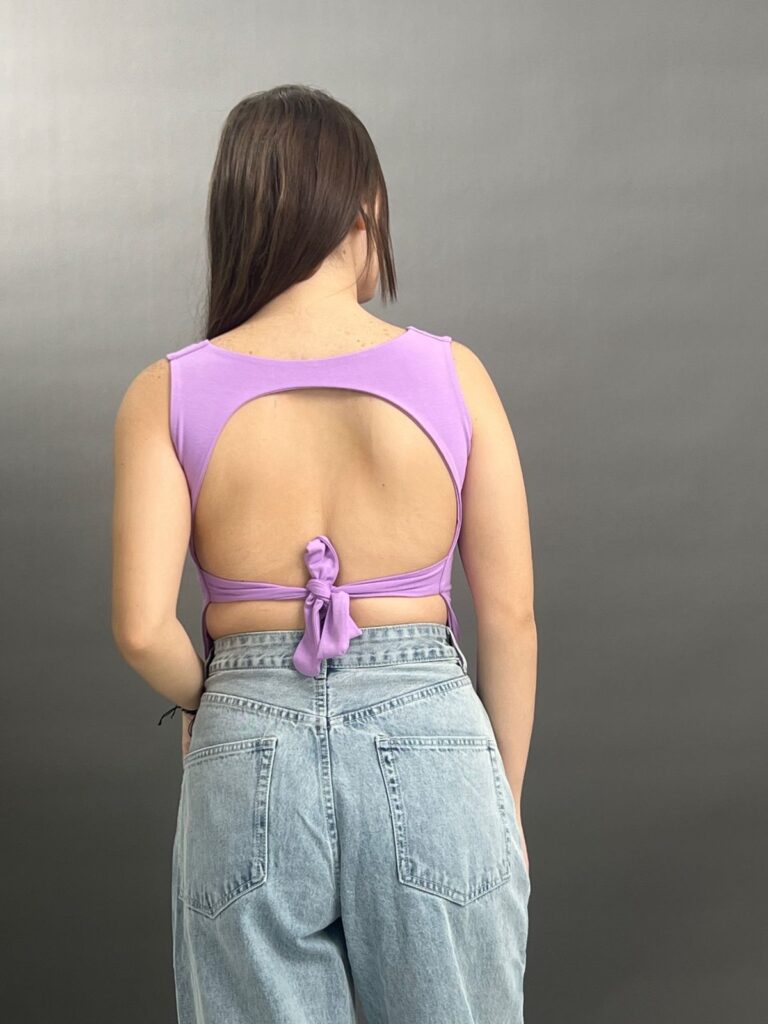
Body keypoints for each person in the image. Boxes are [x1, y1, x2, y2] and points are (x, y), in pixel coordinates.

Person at [111, 83, 536, 1024]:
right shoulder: (454, 376)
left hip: (245, 738)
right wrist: (499, 805)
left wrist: (212, 698)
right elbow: (509, 616)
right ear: (360, 206)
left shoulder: (165, 393)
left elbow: (142, 628)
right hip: (433, 739)